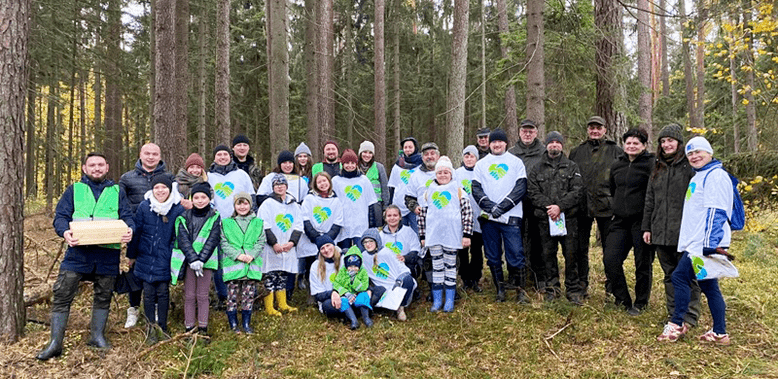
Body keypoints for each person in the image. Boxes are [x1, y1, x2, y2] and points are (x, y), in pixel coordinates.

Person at [36, 153, 135, 360]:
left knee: (103, 296)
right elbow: (61, 217)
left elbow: (127, 216)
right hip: (77, 254)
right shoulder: (74, 190)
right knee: (63, 295)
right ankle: (55, 343)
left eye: (100, 164)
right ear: (84, 168)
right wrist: (65, 232)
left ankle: (97, 337)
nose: (97, 168)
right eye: (92, 165)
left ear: (107, 167)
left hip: (107, 254)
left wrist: (130, 230)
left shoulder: (117, 191)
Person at [657, 136, 735, 345]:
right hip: (697, 242)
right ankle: (720, 333)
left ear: (709, 153)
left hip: (704, 244)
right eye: (690, 153)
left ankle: (676, 325)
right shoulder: (700, 175)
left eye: (699, 152)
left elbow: (716, 210)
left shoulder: (716, 176)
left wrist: (710, 243)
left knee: (680, 278)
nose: (694, 156)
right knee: (709, 286)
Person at [643, 124, 700, 327]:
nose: (666, 144)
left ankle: (690, 316)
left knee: (687, 275)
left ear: (679, 143)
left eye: (670, 140)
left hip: (684, 232)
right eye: (663, 141)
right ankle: (674, 314)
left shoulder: (690, 167)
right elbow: (650, 199)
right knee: (669, 275)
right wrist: (647, 227)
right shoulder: (657, 167)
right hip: (660, 231)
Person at [119, 143, 174, 329]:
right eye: (147, 153)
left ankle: (158, 310)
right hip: (135, 233)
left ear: (160, 156)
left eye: (155, 154)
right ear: (140, 154)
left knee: (159, 275)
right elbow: (120, 205)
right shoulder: (127, 178)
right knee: (134, 274)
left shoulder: (169, 178)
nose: (151, 157)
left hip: (162, 235)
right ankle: (133, 308)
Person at [526, 132, 584, 304]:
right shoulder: (537, 168)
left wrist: (560, 207)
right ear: (546, 145)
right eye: (551, 142)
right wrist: (550, 208)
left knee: (571, 255)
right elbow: (532, 191)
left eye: (557, 142)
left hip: (569, 220)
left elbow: (577, 191)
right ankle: (552, 288)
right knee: (548, 255)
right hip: (545, 221)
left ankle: (573, 289)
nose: (554, 145)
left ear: (562, 146)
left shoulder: (572, 167)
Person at [472, 128, 529, 303]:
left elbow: (521, 187)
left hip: (511, 217)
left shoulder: (516, 162)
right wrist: (490, 207)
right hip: (489, 218)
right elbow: (476, 188)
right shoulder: (481, 164)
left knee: (516, 253)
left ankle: (520, 291)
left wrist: (503, 207)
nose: (497, 144)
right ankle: (500, 290)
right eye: (494, 142)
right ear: (489, 144)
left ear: (506, 143)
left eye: (500, 141)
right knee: (493, 255)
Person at [568, 116, 623, 298]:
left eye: (598, 128)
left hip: (606, 206)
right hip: (581, 206)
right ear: (587, 130)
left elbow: (622, 178)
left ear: (605, 130)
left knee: (610, 249)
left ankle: (611, 286)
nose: (595, 131)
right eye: (591, 128)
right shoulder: (577, 152)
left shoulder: (615, 150)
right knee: (579, 248)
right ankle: (582, 284)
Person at [127, 176, 184, 345]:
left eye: (164, 187)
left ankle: (162, 326)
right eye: (157, 187)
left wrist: (172, 255)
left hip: (166, 258)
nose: (160, 190)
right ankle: (150, 327)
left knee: (163, 292)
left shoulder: (177, 208)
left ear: (170, 189)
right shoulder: (145, 206)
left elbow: (178, 236)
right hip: (145, 256)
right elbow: (137, 232)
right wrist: (132, 255)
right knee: (148, 293)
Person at [603, 128, 655, 315]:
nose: (631, 146)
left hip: (641, 222)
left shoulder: (651, 164)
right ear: (623, 145)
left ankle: (641, 302)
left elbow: (654, 193)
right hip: (620, 221)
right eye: (628, 143)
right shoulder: (617, 165)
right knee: (611, 260)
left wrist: (648, 222)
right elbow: (613, 188)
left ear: (644, 145)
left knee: (642, 263)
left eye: (636, 143)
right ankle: (622, 299)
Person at [418, 156, 473, 312]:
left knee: (450, 265)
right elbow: (422, 214)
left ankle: (449, 299)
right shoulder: (428, 191)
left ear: (451, 174)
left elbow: (467, 213)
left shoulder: (458, 190)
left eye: (445, 172)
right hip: (434, 236)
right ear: (435, 174)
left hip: (452, 235)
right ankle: (437, 299)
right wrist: (422, 236)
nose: (442, 175)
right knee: (437, 266)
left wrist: (467, 234)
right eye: (439, 172)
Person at [171, 182, 221, 336]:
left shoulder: (215, 217)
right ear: (191, 199)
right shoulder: (183, 217)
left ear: (209, 198)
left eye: (203, 197)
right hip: (188, 263)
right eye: (196, 197)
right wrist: (193, 260)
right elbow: (183, 240)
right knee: (189, 296)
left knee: (203, 295)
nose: (200, 200)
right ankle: (189, 328)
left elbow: (213, 240)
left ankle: (203, 329)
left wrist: (201, 260)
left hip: (206, 263)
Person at [208, 144, 255, 308]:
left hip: (238, 224)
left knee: (240, 260)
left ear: (230, 156)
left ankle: (243, 297)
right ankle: (223, 296)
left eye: (225, 154)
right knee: (220, 262)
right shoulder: (208, 176)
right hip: (216, 225)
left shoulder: (241, 175)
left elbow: (252, 198)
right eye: (219, 154)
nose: (222, 157)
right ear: (214, 157)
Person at [508, 119, 547, 292]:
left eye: (531, 131)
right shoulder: (511, 153)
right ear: (519, 132)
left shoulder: (544, 152)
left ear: (536, 133)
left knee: (538, 241)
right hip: (515, 204)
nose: (528, 134)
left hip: (537, 204)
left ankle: (539, 277)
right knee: (515, 241)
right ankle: (515, 276)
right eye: (524, 131)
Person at [219, 192, 265, 334]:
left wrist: (251, 255)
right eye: (239, 203)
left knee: (248, 296)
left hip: (251, 266)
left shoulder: (258, 222)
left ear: (250, 205)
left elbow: (261, 241)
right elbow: (223, 242)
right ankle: (233, 324)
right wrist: (238, 255)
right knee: (232, 297)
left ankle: (246, 323)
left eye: (245, 203)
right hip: (234, 267)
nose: (242, 206)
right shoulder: (226, 223)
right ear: (234, 206)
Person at [258, 174, 303, 315]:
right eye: (276, 185)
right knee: (270, 275)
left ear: (286, 186)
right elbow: (264, 225)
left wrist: (291, 243)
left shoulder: (293, 204)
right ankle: (269, 306)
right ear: (273, 187)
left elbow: (298, 224)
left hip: (287, 246)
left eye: (282, 184)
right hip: (271, 247)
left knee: (282, 275)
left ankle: (282, 304)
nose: (279, 187)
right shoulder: (267, 204)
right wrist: (274, 243)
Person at [299, 172, 344, 301]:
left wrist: (327, 240)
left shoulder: (336, 201)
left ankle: (331, 289)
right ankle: (312, 292)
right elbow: (305, 218)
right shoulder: (309, 199)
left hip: (329, 238)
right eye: (319, 182)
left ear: (329, 182)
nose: (322, 184)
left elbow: (337, 222)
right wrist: (316, 237)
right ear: (315, 184)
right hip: (311, 238)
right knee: (311, 265)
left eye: (325, 181)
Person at [360, 229, 415, 321]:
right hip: (381, 287)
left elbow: (403, 269)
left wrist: (398, 281)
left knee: (408, 280)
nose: (368, 244)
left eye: (371, 241)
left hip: (396, 283)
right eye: (365, 242)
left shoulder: (387, 252)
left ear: (377, 241)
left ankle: (400, 308)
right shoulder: (363, 256)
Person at [332, 149, 380, 249]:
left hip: (360, 224)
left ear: (356, 164)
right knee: (344, 254)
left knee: (362, 253)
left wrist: (372, 225)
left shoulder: (363, 180)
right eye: (347, 163)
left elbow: (371, 204)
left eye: (352, 163)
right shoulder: (336, 181)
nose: (350, 166)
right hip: (343, 225)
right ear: (342, 164)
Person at [454, 146, 485, 292]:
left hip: (479, 218)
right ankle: (465, 278)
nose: (469, 159)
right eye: (466, 156)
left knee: (477, 250)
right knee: (463, 251)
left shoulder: (482, 172)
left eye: (472, 156)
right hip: (462, 219)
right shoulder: (457, 173)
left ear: (477, 158)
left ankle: (475, 278)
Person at [332, 246, 374, 329]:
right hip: (347, 295)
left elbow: (364, 286)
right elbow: (337, 284)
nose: (353, 269)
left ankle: (366, 318)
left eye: (355, 266)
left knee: (363, 296)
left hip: (358, 293)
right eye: (350, 267)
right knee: (343, 301)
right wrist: (346, 293)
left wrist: (354, 280)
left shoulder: (363, 272)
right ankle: (353, 320)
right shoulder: (342, 272)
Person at [387, 137, 423, 232]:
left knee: (417, 233)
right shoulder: (398, 165)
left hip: (414, 205)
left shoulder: (421, 165)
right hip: (399, 205)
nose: (408, 149)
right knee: (401, 234)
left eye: (410, 147)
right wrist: (389, 204)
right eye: (405, 147)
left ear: (415, 148)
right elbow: (392, 187)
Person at [404, 142, 441, 233]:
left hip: (444, 219)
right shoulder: (415, 175)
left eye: (432, 153)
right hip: (423, 221)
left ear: (438, 156)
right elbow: (409, 198)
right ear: (422, 157)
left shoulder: (447, 172)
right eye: (426, 154)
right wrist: (414, 207)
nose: (429, 157)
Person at [378, 205, 422, 282]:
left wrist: (405, 258)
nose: (392, 218)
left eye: (395, 215)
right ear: (385, 218)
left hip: (405, 265)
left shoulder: (409, 231)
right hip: (388, 268)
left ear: (400, 217)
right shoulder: (380, 235)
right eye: (389, 216)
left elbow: (415, 250)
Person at [358, 140, 390, 209]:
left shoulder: (379, 167)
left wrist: (385, 206)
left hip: (376, 203)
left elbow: (385, 188)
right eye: (365, 152)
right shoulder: (355, 167)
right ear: (360, 153)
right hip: (359, 202)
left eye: (370, 153)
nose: (367, 155)